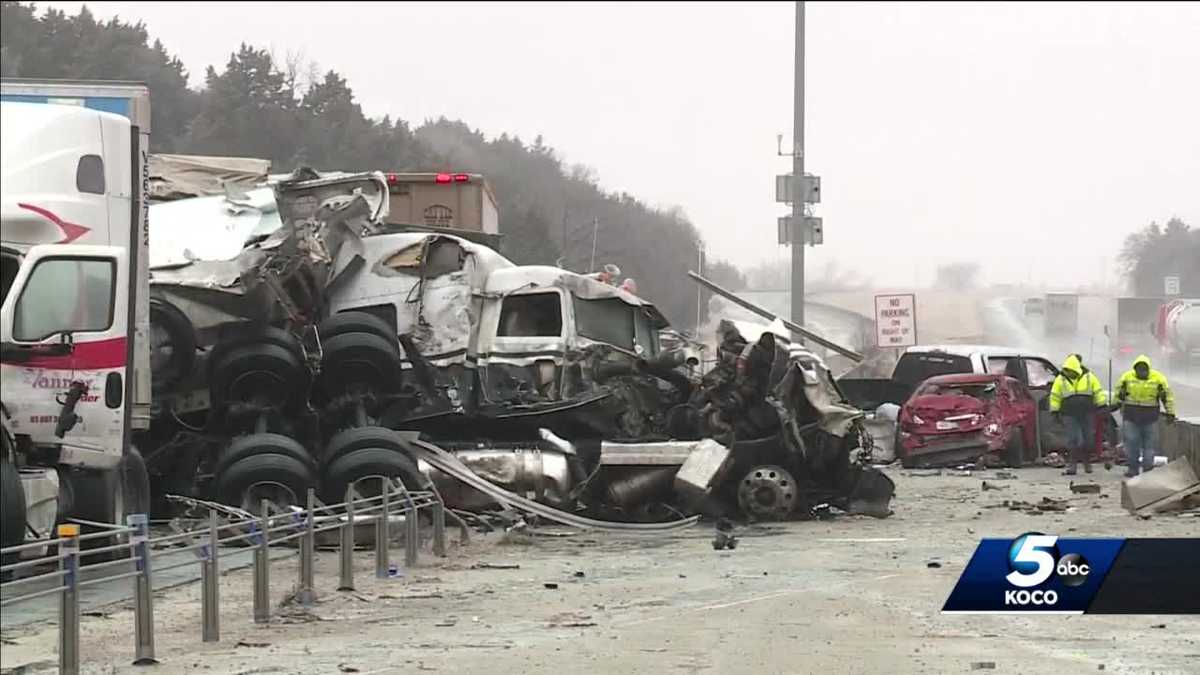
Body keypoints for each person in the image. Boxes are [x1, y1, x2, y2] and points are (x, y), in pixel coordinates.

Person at [1114, 354, 1176, 478]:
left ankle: (1147, 470)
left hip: (1149, 418)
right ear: (1135, 369)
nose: (1141, 372)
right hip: (1131, 417)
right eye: (1139, 369)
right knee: (1132, 445)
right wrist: (1115, 404)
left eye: (1144, 369)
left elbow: (1167, 397)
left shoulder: (1158, 379)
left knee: (1149, 446)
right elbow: (1119, 394)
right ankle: (1133, 469)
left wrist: (1170, 412)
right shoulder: (1126, 378)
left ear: (1148, 369)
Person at [1049, 354, 1107, 475]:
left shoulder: (1089, 377)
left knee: (1088, 439)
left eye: (1070, 371)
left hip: (1087, 412)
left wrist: (1102, 405)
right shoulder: (1061, 379)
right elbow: (1055, 396)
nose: (1068, 373)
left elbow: (1098, 391)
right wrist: (1054, 411)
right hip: (1069, 414)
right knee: (1073, 439)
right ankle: (1072, 465)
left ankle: (1087, 462)